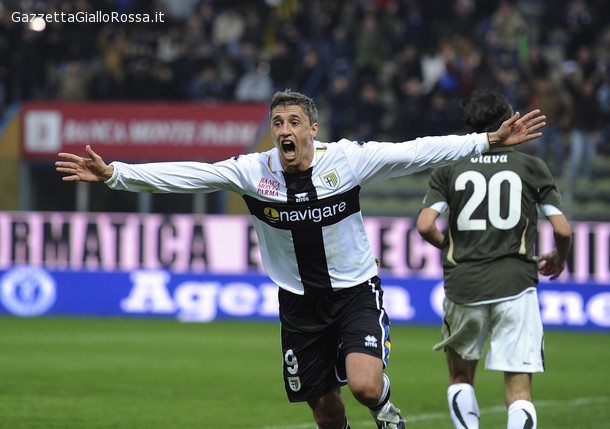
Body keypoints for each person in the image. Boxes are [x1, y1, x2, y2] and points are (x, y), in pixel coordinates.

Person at [56, 90, 546, 429]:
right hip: (298, 304)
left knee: (365, 386)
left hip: (354, 293)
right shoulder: (253, 172)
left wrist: (486, 140)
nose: (284, 131)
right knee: (327, 414)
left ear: (313, 128)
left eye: (294, 122)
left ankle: (387, 413)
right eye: (277, 123)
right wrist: (116, 174)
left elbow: (415, 152)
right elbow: (189, 175)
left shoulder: (346, 161)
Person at [416, 89, 572, 429]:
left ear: (469, 125)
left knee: (460, 378)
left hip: (464, 284)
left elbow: (425, 225)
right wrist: (559, 258)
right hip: (516, 283)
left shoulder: (450, 167)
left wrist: (449, 245)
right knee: (519, 393)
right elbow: (562, 230)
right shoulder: (531, 167)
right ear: (509, 121)